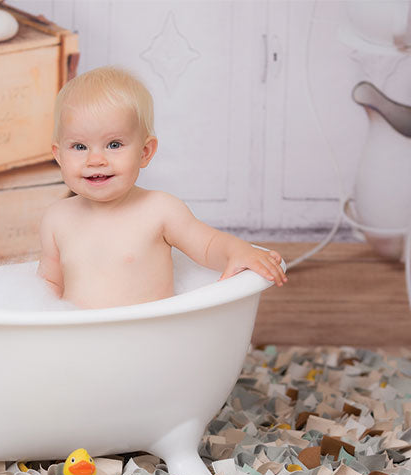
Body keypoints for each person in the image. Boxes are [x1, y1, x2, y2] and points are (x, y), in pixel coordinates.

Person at [38, 66, 287, 309]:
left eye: (114, 145)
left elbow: (208, 245)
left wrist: (239, 251)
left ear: (145, 152)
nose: (95, 160)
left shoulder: (160, 210)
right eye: (79, 147)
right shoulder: (57, 218)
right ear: (59, 156)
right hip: (81, 340)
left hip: (151, 340)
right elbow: (48, 285)